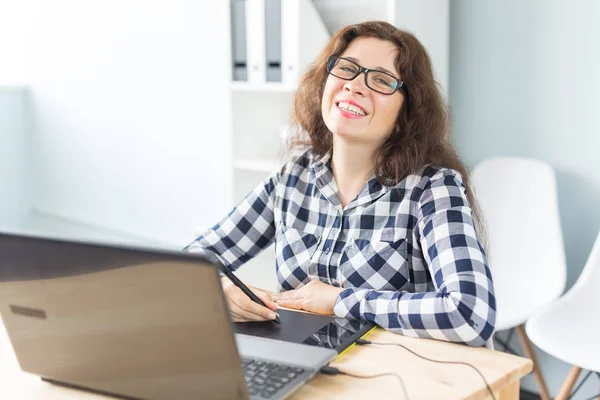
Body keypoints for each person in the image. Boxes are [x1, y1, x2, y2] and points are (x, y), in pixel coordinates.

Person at [185, 21, 496, 347]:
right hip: (311, 364)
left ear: (408, 112)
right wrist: (222, 290)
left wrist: (340, 300)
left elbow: (470, 313)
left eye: (380, 80)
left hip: (402, 374)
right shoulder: (293, 178)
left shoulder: (432, 189)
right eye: (346, 69)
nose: (355, 86)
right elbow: (189, 263)